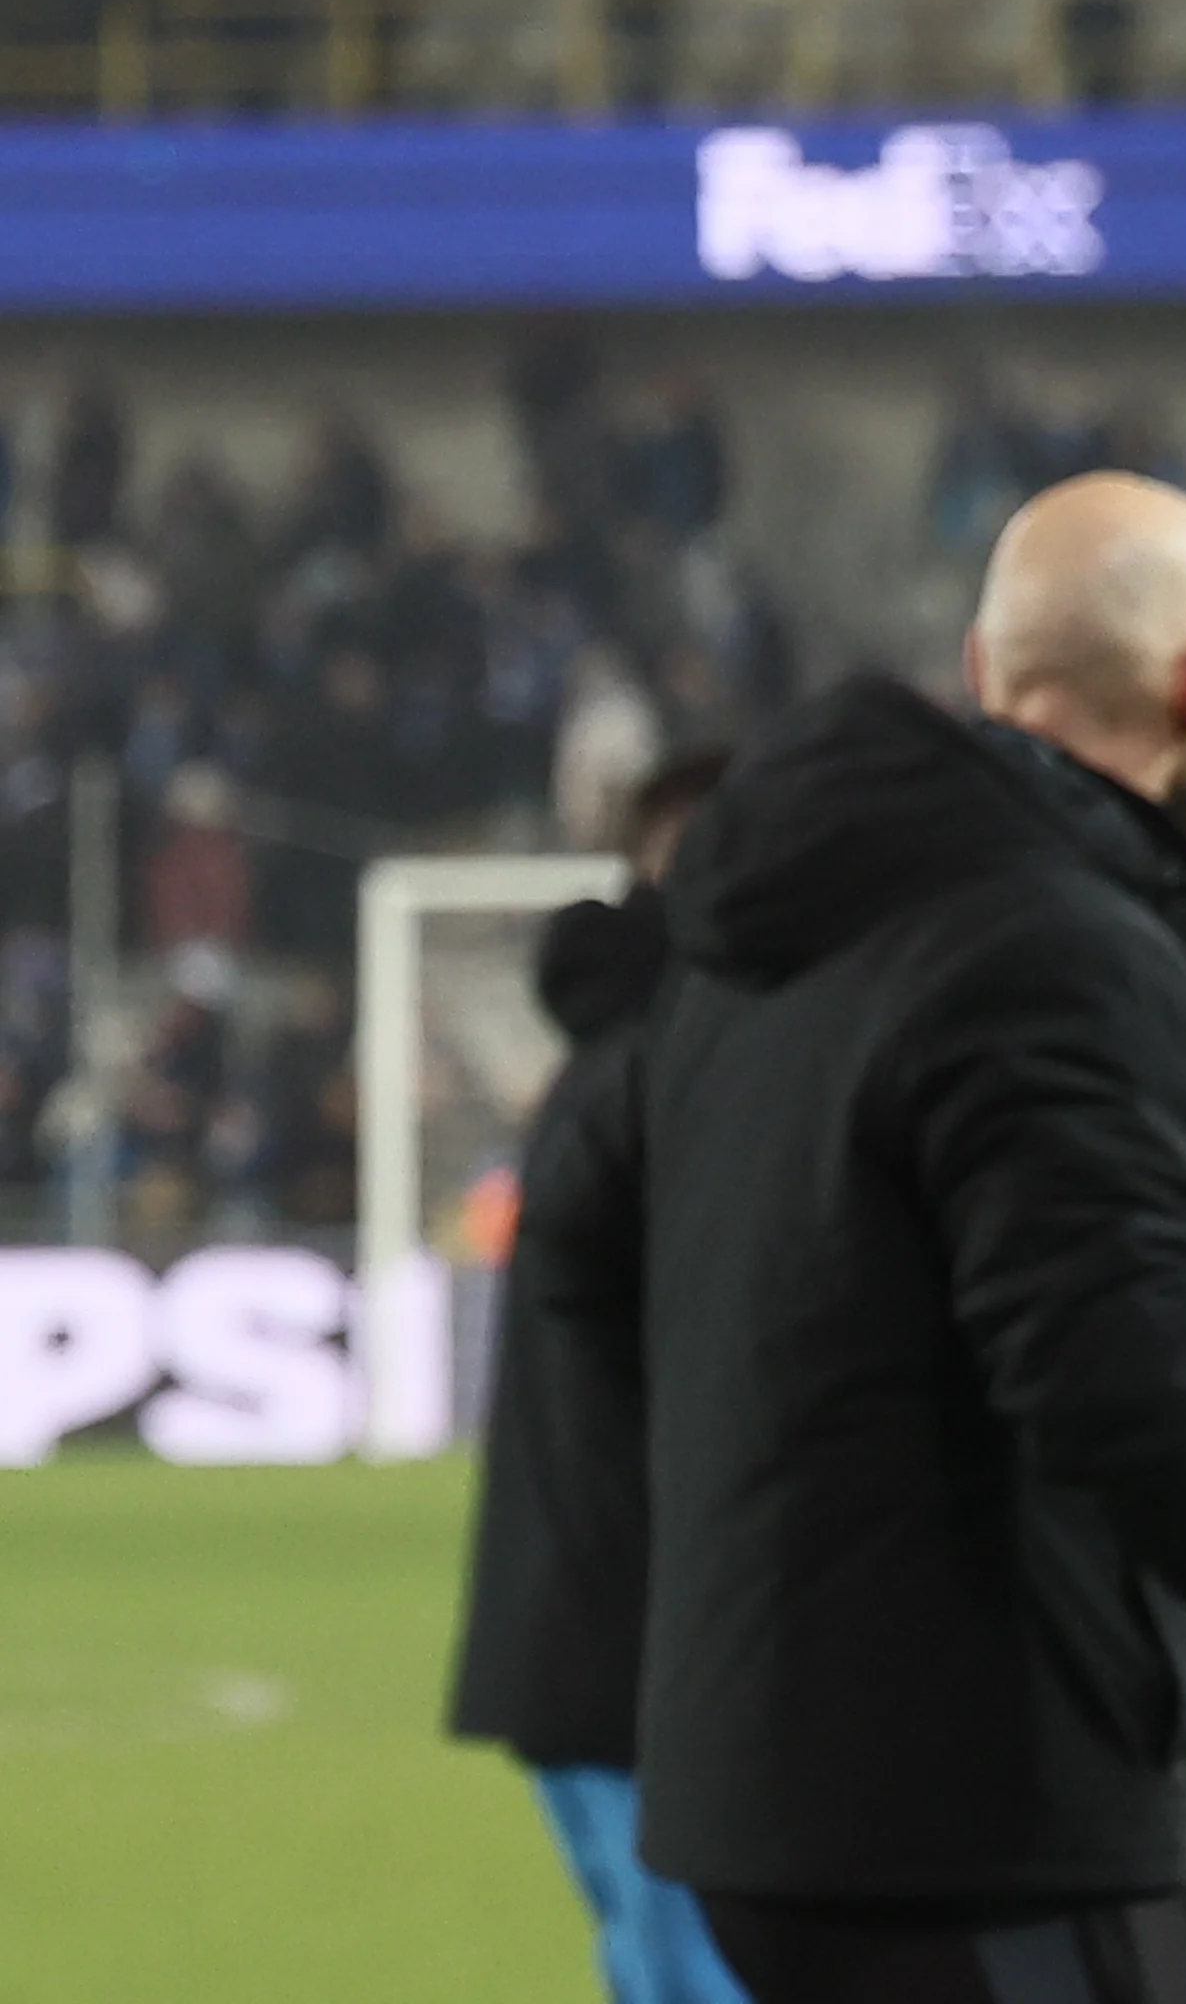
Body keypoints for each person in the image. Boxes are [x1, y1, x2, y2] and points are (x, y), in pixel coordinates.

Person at [618, 473, 1186, 2004]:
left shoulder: (771, 938)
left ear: (995, 676)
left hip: (782, 1780)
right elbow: (1122, 1369)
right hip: (969, 1798)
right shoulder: (1053, 949)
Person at [445, 749, 745, 2004]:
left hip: (583, 1629)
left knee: (658, 1963)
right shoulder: (675, 1069)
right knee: (693, 1970)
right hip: (643, 1645)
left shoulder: (615, 1055)